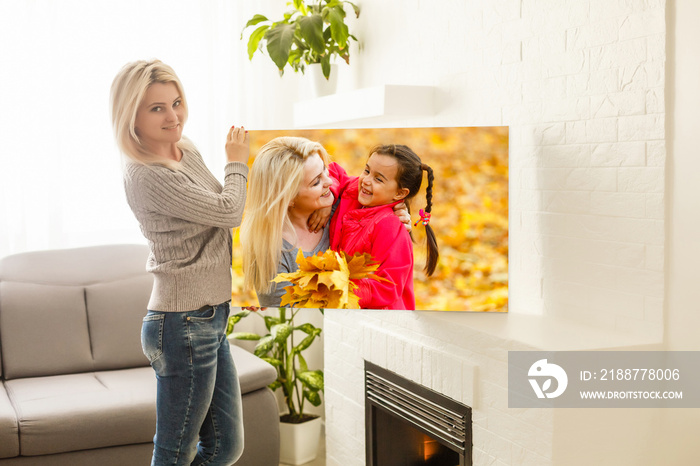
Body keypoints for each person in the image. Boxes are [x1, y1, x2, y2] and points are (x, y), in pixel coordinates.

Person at [110, 59, 248, 465]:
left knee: (226, 446)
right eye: (157, 108)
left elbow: (215, 223)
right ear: (131, 116)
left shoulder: (185, 150)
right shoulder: (144, 174)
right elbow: (229, 211)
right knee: (173, 454)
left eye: (176, 103)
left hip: (210, 315)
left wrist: (242, 282)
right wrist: (236, 160)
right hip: (182, 323)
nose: (173, 117)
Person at [239, 136, 410, 307]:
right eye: (316, 182)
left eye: (324, 171)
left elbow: (371, 198)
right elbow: (289, 323)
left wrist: (396, 219)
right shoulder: (271, 251)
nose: (329, 181)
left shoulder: (342, 205)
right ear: (288, 197)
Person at [328, 144, 439, 310]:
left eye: (378, 179)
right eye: (367, 171)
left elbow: (388, 286)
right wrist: (325, 200)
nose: (366, 181)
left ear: (399, 194)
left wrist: (340, 289)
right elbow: (333, 171)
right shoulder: (353, 192)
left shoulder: (390, 226)